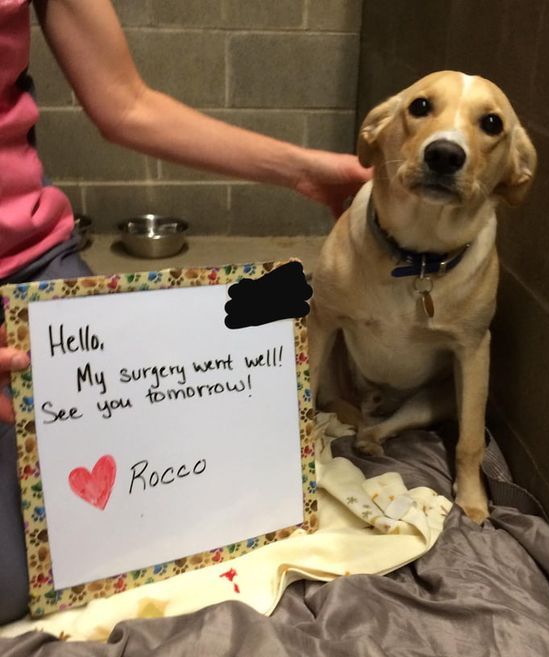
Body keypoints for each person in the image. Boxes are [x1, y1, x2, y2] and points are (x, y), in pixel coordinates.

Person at [0, 0, 370, 623]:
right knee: (20, 582)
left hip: (32, 262)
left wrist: (307, 172)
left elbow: (127, 102)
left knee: (150, 521)